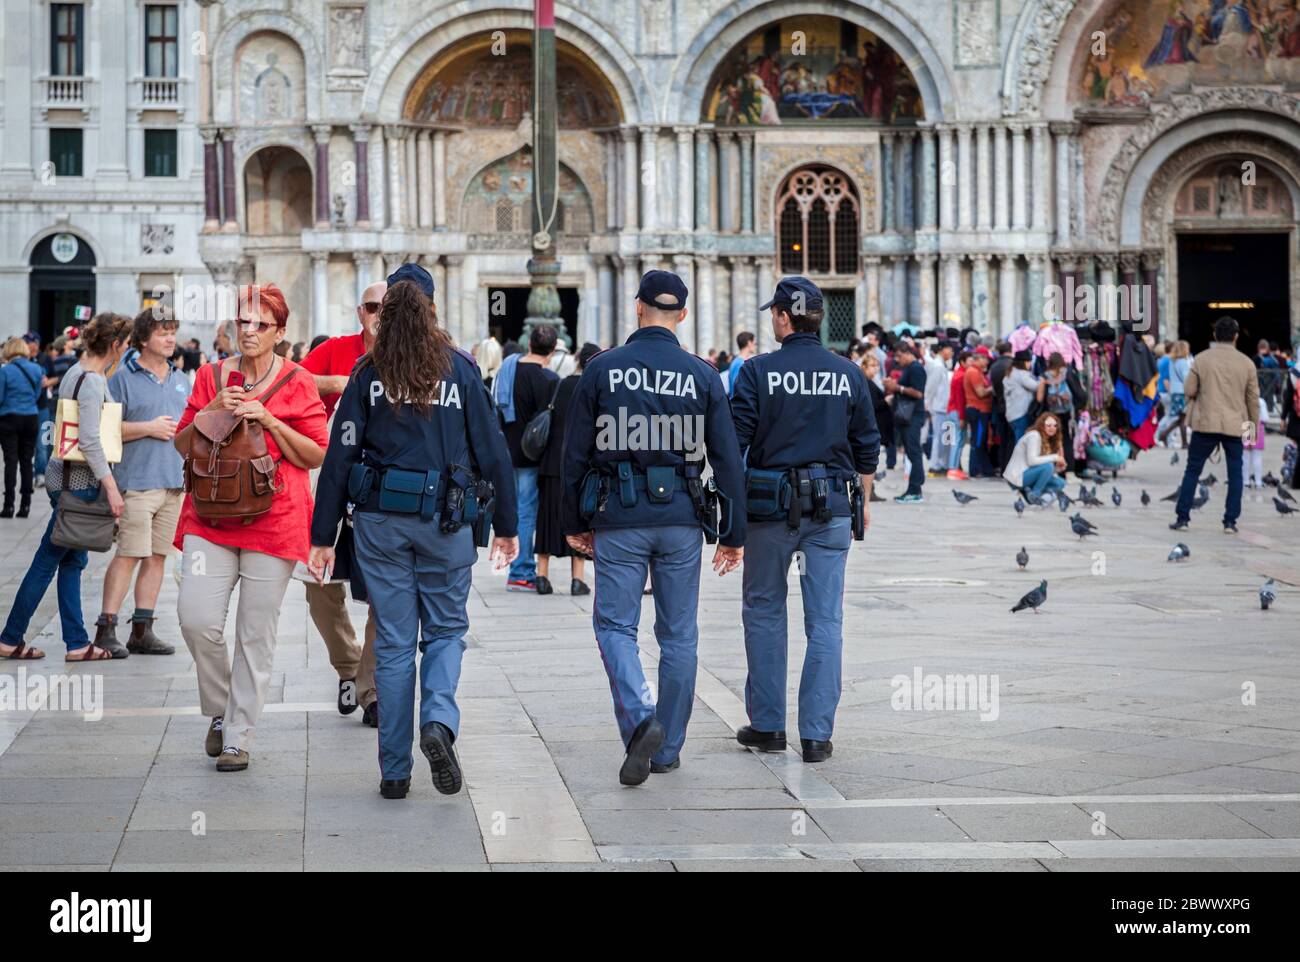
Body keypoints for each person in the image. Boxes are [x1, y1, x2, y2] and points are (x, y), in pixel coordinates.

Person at [309, 265, 519, 799]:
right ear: (431, 308)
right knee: (446, 631)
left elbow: (340, 456)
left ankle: (394, 771)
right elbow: (494, 450)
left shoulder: (366, 373)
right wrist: (507, 527)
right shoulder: (461, 370)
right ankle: (439, 724)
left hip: (380, 523)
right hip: (445, 521)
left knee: (397, 643)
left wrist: (322, 536)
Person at [560, 270, 746, 784]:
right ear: (682, 315)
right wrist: (733, 533)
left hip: (619, 517)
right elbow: (728, 461)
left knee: (615, 626)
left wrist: (573, 524)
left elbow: (574, 454)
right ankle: (667, 748)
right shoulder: (703, 375)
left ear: (638, 307)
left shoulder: (602, 369)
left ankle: (642, 719)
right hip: (683, 518)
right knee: (679, 634)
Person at [173, 284, 328, 771]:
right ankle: (220, 710)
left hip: (276, 519)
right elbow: (181, 445)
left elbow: (318, 453)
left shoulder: (299, 381)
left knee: (254, 633)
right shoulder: (209, 376)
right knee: (196, 618)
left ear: (280, 332)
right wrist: (215, 409)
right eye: (244, 322)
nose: (250, 331)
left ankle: (238, 736)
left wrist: (271, 421)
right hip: (210, 515)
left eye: (261, 324)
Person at [731, 276, 879, 763]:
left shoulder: (756, 372)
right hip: (833, 507)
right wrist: (866, 501)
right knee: (826, 620)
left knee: (765, 612)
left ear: (781, 316)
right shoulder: (848, 372)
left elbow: (735, 442)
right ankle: (816, 735)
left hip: (770, 510)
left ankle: (769, 726)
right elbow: (867, 445)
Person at [1, 314, 131, 662]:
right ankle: (11, 637)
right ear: (116, 345)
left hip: (66, 480)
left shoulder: (78, 371)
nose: (127, 350)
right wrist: (111, 487)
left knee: (72, 560)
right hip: (80, 483)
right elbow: (89, 439)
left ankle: (76, 642)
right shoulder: (90, 380)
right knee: (48, 561)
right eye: (126, 344)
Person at [299, 280, 385, 723]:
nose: (379, 314)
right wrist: (337, 380)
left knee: (380, 594)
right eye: (372, 306)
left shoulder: (408, 354)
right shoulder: (337, 348)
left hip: (381, 488)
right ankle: (348, 664)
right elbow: (291, 379)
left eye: (388, 306)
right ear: (359, 311)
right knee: (319, 586)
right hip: (329, 479)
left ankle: (369, 690)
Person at [94, 307, 190, 656]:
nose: (170, 338)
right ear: (144, 338)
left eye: (173, 331)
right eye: (163, 332)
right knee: (129, 554)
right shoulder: (121, 378)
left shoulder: (181, 378)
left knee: (157, 557)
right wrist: (147, 428)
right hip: (136, 482)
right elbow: (104, 430)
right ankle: (106, 627)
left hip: (172, 482)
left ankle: (142, 628)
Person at [1171, 316, 1259, 534]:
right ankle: (1230, 521)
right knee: (1235, 472)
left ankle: (1183, 517)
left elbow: (1189, 390)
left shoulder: (1201, 359)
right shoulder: (1247, 363)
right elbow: (1253, 402)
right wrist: (1251, 435)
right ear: (1236, 336)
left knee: (1192, 470)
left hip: (1205, 423)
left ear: (1214, 335)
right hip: (1235, 424)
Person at [500, 324, 559, 592]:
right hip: (532, 456)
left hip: (506, 450)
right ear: (553, 350)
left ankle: (515, 564)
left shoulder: (507, 372)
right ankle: (521, 569)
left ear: (529, 344)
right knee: (526, 512)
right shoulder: (548, 380)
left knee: (513, 511)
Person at [536, 341, 598, 596]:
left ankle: (541, 575)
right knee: (577, 516)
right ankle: (577, 579)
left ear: (576, 359)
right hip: (579, 463)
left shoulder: (559, 384)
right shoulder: (592, 388)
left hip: (551, 461)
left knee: (547, 518)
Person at [0, 336, 45, 518]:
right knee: (27, 460)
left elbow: (0, 397)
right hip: (30, 416)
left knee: (11, 461)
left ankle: (8, 505)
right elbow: (37, 393)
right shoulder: (36, 368)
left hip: (9, 417)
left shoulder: (5, 371)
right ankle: (25, 505)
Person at [888, 340, 926, 503]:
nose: (897, 360)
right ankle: (913, 487)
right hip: (907, 417)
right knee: (910, 452)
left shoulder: (916, 369)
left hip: (913, 416)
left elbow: (918, 393)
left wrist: (897, 388)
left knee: (914, 452)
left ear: (907, 353)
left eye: (899, 356)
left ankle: (915, 489)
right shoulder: (909, 368)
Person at [1004, 412, 1068, 503]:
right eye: (1048, 425)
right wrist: (1054, 457)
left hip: (1029, 473)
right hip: (1017, 477)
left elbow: (1043, 471)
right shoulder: (1034, 435)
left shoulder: (1047, 440)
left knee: (1060, 483)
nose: (1052, 428)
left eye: (1055, 425)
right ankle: (1035, 495)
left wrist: (1057, 469)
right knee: (1048, 466)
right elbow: (1032, 461)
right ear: (1042, 425)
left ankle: (1030, 494)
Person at [962, 351, 994, 478]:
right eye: (985, 359)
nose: (987, 362)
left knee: (980, 440)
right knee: (978, 441)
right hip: (978, 410)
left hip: (980, 410)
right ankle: (975, 469)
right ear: (979, 358)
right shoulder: (974, 372)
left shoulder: (977, 372)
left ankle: (982, 468)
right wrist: (993, 388)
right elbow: (980, 393)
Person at [923, 340, 953, 478]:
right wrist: (927, 403)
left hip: (942, 406)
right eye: (949, 350)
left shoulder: (941, 365)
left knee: (943, 437)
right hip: (938, 406)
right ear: (942, 350)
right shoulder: (937, 366)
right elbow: (931, 387)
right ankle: (935, 465)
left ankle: (940, 464)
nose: (951, 353)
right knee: (938, 437)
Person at [1002, 349, 1042, 447]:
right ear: (1023, 362)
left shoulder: (1010, 372)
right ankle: (1019, 462)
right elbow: (1036, 386)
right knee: (1022, 445)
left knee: (1019, 442)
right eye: (1028, 361)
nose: (1030, 364)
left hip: (1012, 414)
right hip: (1021, 414)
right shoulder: (1021, 374)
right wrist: (1043, 380)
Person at [1156, 340, 1191, 448]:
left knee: (1181, 417)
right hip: (1182, 392)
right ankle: (1164, 434)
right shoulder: (1183, 363)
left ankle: (1184, 442)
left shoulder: (1172, 361)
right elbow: (1186, 379)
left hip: (1174, 391)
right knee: (1181, 417)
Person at [946, 349, 971, 480]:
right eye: (970, 361)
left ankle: (953, 467)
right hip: (957, 411)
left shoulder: (958, 373)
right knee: (957, 441)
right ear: (962, 361)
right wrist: (962, 417)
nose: (972, 363)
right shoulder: (961, 376)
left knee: (955, 440)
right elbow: (960, 399)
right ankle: (953, 468)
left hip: (952, 410)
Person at [727, 331, 757, 398]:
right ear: (749, 343)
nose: (755, 346)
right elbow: (738, 388)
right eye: (755, 343)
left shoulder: (738, 362)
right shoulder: (739, 363)